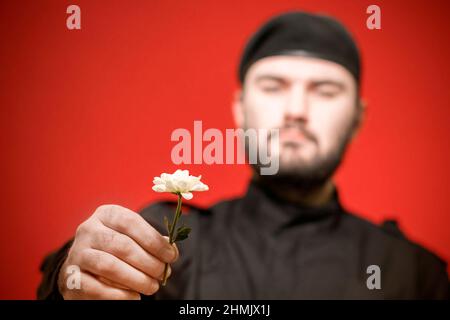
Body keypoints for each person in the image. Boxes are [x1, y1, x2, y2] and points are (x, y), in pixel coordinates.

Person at [37, 11, 449, 300]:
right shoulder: (168, 243)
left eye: (324, 91)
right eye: (273, 86)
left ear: (358, 118)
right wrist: (71, 276)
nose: (296, 110)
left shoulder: (415, 275)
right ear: (239, 109)